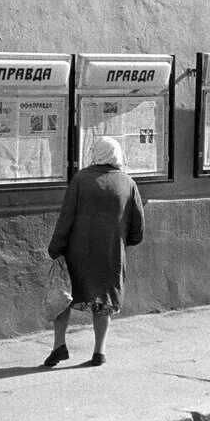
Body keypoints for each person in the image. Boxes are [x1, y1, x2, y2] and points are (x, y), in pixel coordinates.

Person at [44, 136, 144, 367]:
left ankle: (59, 346)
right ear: (116, 154)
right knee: (103, 302)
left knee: (64, 297)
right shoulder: (128, 183)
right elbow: (138, 228)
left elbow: (66, 216)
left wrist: (56, 247)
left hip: (76, 254)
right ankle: (99, 352)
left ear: (96, 153)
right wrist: (122, 242)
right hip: (110, 254)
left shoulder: (80, 179)